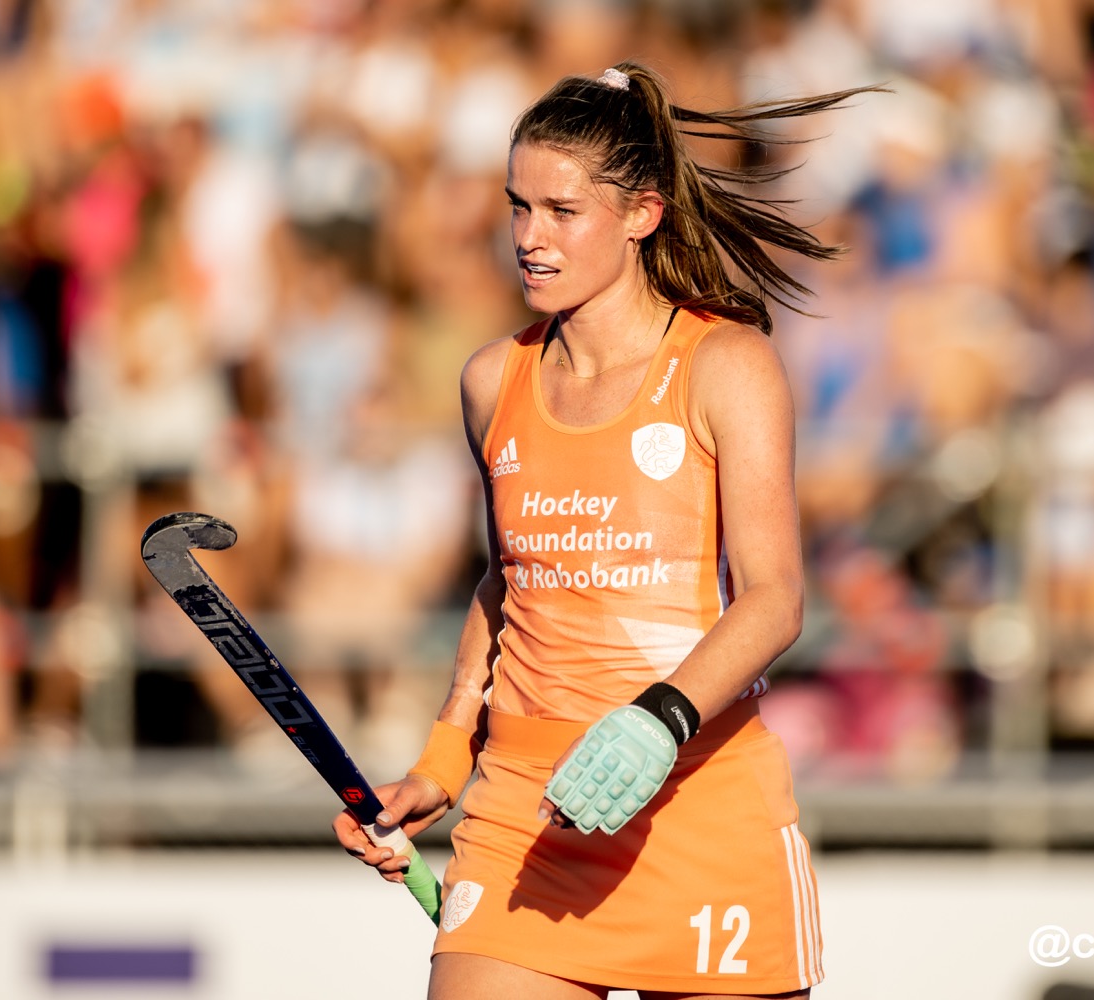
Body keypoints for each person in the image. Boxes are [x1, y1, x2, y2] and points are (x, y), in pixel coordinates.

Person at [334, 61, 877, 999]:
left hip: (696, 804)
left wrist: (657, 719)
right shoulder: (489, 380)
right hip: (525, 817)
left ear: (642, 214)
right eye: (518, 207)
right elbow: (509, 582)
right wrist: (440, 758)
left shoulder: (726, 365)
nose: (530, 239)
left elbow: (776, 597)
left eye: (562, 212)